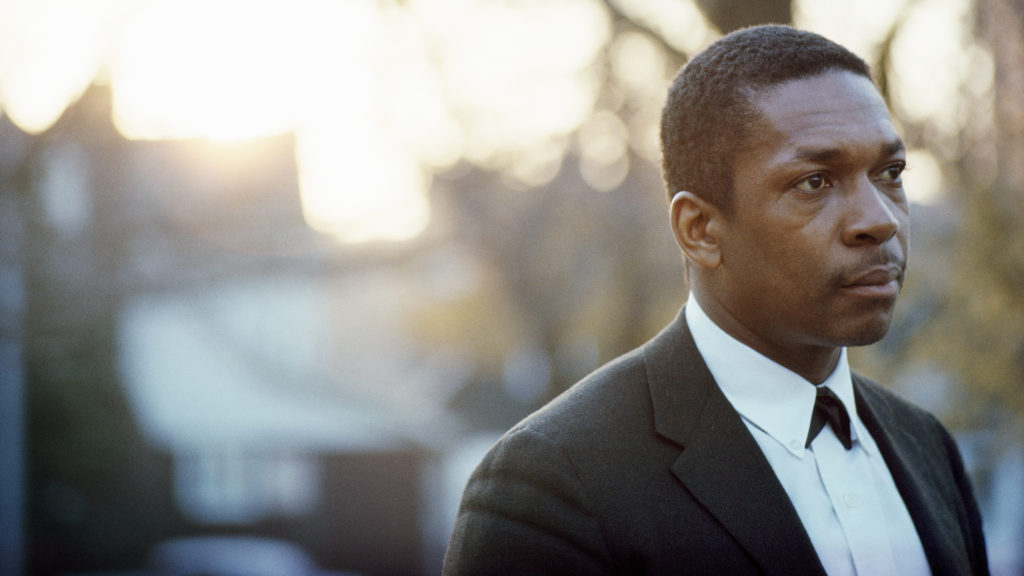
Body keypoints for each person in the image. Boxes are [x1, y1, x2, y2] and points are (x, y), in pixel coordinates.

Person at [442, 25, 989, 576]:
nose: (880, 219)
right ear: (700, 229)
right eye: (815, 182)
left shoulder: (926, 446)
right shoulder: (554, 484)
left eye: (890, 173)